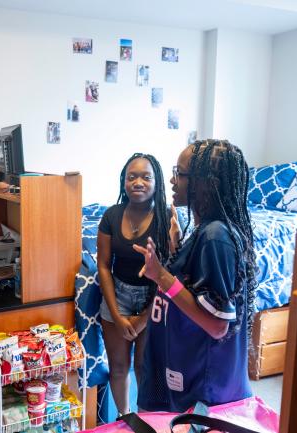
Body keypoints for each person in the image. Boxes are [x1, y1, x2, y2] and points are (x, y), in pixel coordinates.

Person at [134, 139, 256, 412]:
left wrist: (161, 275)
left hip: (201, 391)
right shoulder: (205, 233)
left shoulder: (216, 237)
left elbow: (217, 325)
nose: (173, 181)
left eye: (180, 173)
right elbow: (195, 288)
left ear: (205, 182)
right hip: (183, 374)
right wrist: (178, 249)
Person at [97, 153, 171, 416]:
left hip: (154, 297)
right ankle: (125, 418)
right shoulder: (111, 215)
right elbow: (104, 265)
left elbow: (171, 275)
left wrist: (143, 318)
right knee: (118, 366)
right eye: (132, 177)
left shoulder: (167, 217)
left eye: (146, 177)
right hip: (117, 294)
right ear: (123, 181)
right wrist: (116, 315)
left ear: (157, 182)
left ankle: (145, 419)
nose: (138, 182)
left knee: (143, 366)